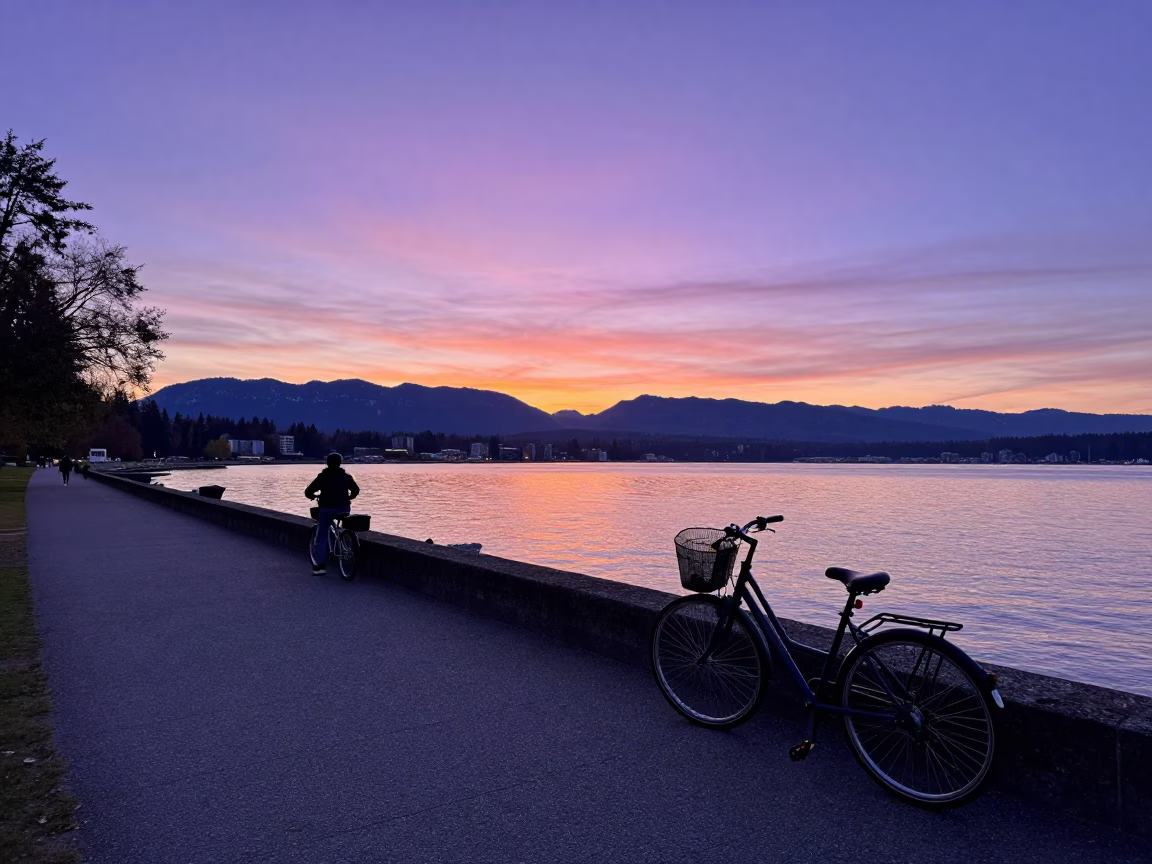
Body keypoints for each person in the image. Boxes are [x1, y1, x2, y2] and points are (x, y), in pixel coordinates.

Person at [304, 452, 360, 576]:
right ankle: (344, 541)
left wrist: (313, 496)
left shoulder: (322, 477)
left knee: (321, 537)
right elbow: (356, 490)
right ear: (340, 463)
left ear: (327, 463)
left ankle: (320, 567)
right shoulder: (346, 477)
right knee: (341, 523)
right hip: (344, 508)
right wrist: (349, 497)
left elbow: (308, 491)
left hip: (327, 509)